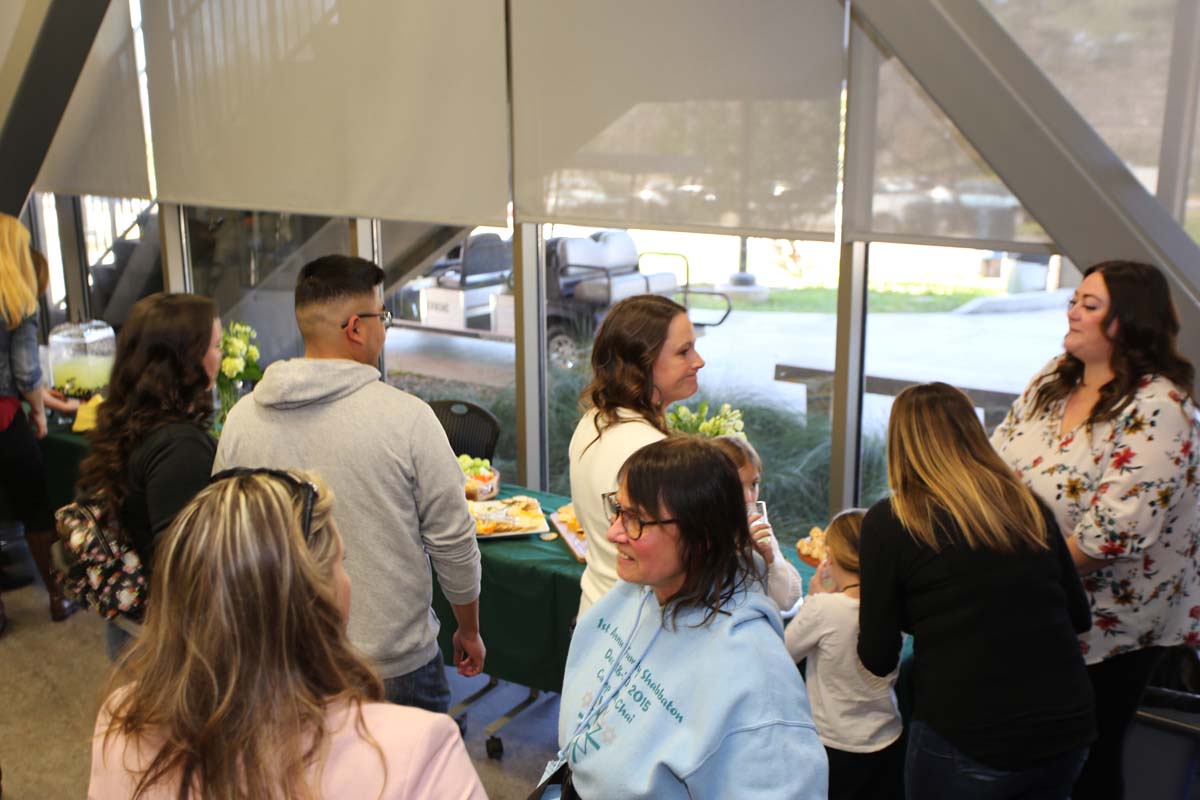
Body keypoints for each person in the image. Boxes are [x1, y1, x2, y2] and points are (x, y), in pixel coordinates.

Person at [88, 469, 488, 799]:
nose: (348, 582)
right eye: (340, 564)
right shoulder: (416, 750)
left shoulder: (123, 719)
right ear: (316, 599)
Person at [214, 254, 484, 712]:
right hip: (393, 667)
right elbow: (453, 542)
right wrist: (469, 629)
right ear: (356, 328)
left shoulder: (240, 421)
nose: (385, 328)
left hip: (283, 665)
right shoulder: (408, 419)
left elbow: (225, 541)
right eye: (384, 317)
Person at [991, 260, 1200, 800]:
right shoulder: (1051, 380)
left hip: (1111, 625)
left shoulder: (1159, 408)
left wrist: (1011, 581)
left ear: (1129, 321)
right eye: (1074, 301)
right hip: (1035, 598)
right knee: (1033, 757)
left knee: (1086, 760)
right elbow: (991, 464)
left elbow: (1108, 537)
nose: (1073, 313)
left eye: (1090, 305)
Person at [543, 437, 828, 799]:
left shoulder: (759, 682)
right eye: (617, 509)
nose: (613, 532)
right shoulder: (641, 591)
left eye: (635, 520)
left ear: (702, 535)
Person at [859, 382, 1095, 799]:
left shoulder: (893, 521)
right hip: (1067, 731)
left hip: (971, 737)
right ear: (973, 434)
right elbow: (1079, 616)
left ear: (902, 444)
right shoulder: (1026, 506)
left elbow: (877, 657)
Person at [76, 292, 223, 659]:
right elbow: (185, 572)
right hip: (170, 646)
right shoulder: (179, 447)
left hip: (133, 630)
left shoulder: (133, 422)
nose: (221, 357)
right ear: (187, 358)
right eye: (216, 346)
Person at [570, 294, 704, 615]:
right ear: (642, 364)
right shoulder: (651, 453)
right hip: (640, 627)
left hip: (597, 609)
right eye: (683, 352)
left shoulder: (593, 420)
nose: (698, 361)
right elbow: (684, 559)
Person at [785, 508, 902, 800]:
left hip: (835, 746)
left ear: (831, 557)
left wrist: (814, 598)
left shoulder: (823, 608)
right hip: (888, 739)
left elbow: (783, 654)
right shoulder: (895, 602)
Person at [0, 213, 70, 626]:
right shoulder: (17, 302)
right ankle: (58, 598)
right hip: (6, 421)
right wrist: (40, 413)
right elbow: (24, 373)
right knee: (36, 507)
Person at [712, 434, 802, 611]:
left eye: (754, 484)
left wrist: (771, 558)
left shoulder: (757, 525)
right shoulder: (699, 533)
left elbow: (787, 600)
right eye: (737, 487)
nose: (749, 497)